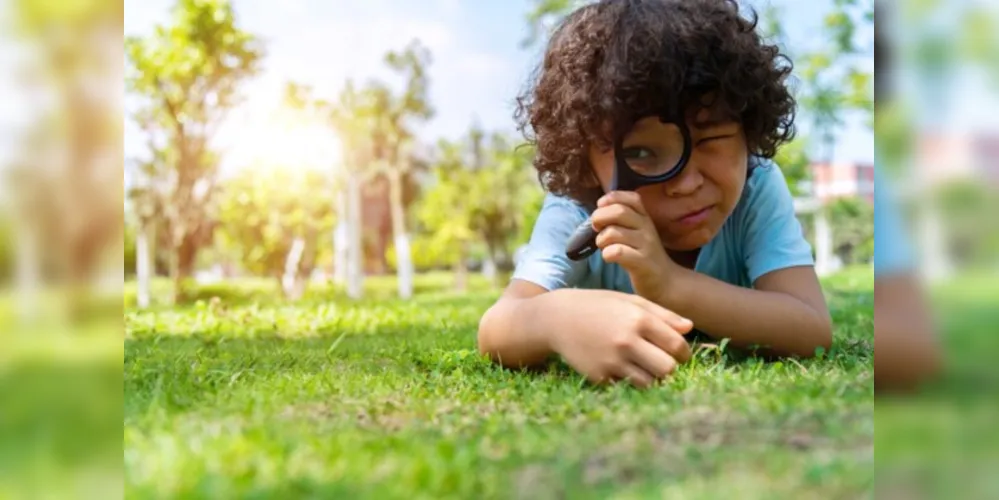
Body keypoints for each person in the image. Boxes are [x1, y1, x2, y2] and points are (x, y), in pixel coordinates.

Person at [478, 0, 832, 388]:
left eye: (712, 138)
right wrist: (555, 318)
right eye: (641, 153)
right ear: (584, 158)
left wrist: (668, 284)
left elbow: (811, 328)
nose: (686, 183)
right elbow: (498, 326)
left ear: (749, 130)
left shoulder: (757, 186)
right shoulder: (578, 209)